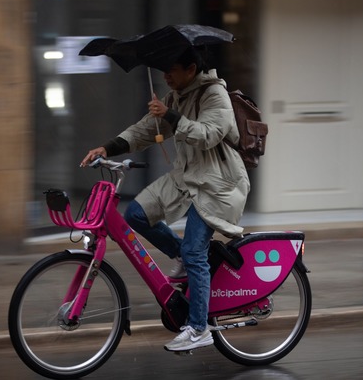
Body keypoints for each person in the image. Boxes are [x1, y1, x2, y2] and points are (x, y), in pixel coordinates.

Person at [81, 48, 249, 352]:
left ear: (191, 68)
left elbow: (208, 134)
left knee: (195, 250)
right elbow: (145, 130)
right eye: (164, 71)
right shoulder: (176, 96)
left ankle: (199, 328)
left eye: (171, 70)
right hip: (187, 177)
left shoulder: (214, 95)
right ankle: (184, 257)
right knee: (135, 215)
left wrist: (170, 115)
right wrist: (107, 148)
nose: (165, 76)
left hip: (218, 184)